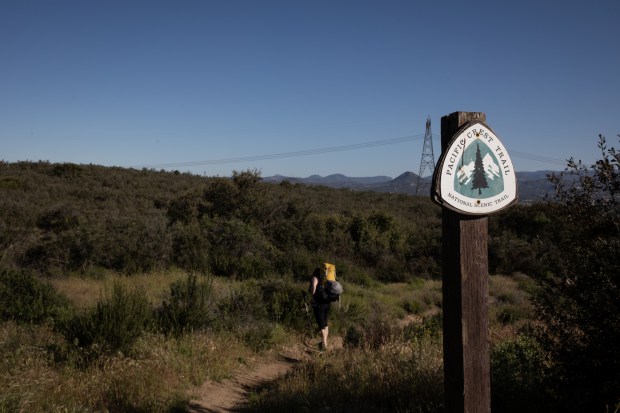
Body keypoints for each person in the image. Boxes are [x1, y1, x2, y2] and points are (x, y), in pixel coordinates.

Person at [309, 267, 330, 350]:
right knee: (325, 323)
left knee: (321, 324)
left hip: (319, 304)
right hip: (327, 303)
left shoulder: (315, 278)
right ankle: (325, 342)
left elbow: (313, 287)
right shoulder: (325, 280)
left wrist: (312, 296)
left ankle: (324, 344)